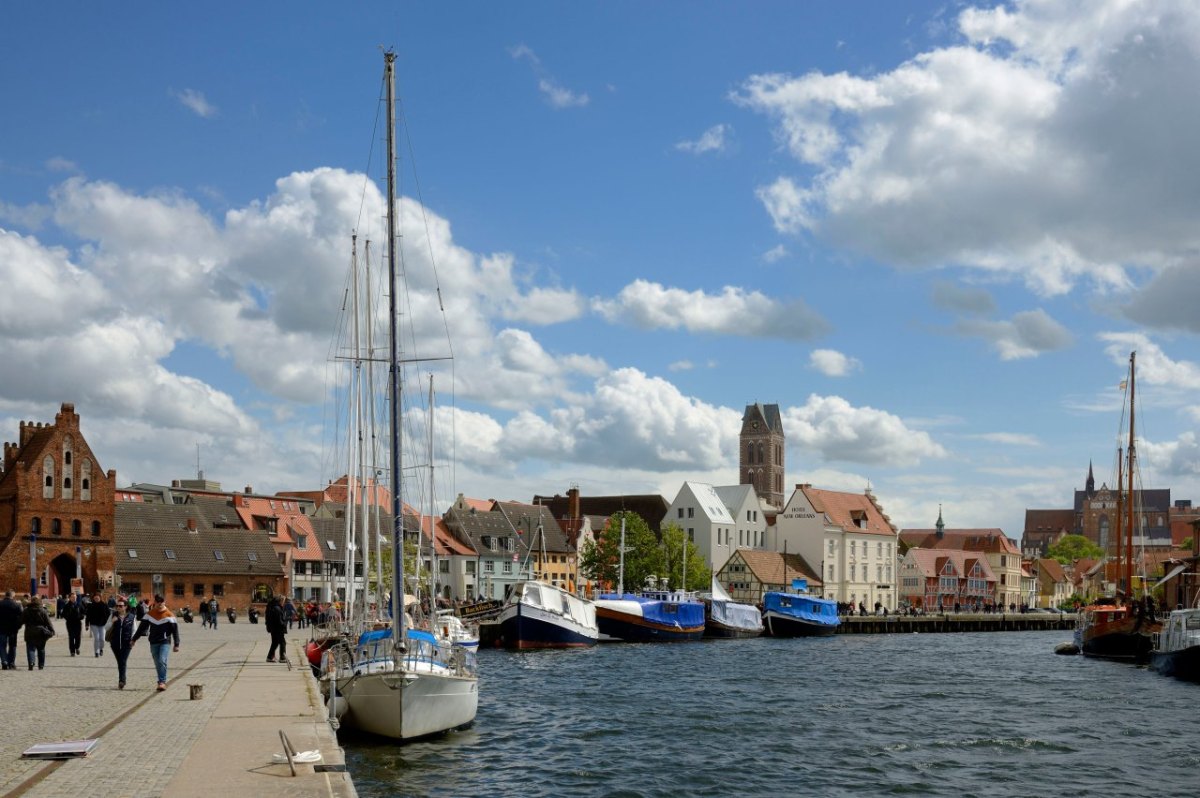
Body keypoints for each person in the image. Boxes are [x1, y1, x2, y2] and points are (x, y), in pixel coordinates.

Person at [132, 593, 180, 692]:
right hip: (153, 641)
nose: (159, 604)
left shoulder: (169, 615)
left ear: (164, 602)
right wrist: (134, 639)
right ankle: (161, 680)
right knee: (158, 662)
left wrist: (176, 644)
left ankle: (162, 682)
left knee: (162, 660)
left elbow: (175, 631)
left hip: (165, 641)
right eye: (157, 602)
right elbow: (141, 628)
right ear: (155, 602)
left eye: (161, 602)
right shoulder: (150, 614)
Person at [109, 600, 136, 689]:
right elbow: (105, 627)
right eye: (117, 606)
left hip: (127, 643)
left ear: (125, 607)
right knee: (120, 661)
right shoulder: (113, 616)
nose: (118, 607)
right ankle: (122, 679)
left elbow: (134, 629)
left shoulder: (132, 617)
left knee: (122, 661)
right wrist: (112, 622)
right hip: (115, 643)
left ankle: (122, 680)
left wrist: (133, 640)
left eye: (120, 606)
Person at [22, 596, 53, 670]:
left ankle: (31, 662)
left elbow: (22, 620)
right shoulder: (42, 610)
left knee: (30, 648)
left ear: (31, 601)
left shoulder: (26, 610)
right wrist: (52, 630)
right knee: (41, 649)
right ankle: (41, 665)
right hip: (41, 632)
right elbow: (48, 622)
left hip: (29, 631)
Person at [0, 589, 23, 670]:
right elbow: (22, 617)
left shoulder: (0, 604)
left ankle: (4, 661)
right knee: (12, 646)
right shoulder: (17, 605)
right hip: (13, 629)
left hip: (1, 628)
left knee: (2, 646)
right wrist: (18, 626)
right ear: (13, 596)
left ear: (5, 595)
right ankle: (11, 663)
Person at [85, 592, 111, 657]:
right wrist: (87, 624)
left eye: (97, 596)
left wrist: (109, 623)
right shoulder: (90, 606)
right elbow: (88, 616)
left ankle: (101, 648)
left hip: (103, 624)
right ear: (93, 598)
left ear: (100, 597)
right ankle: (96, 652)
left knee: (102, 639)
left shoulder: (104, 605)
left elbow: (108, 615)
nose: (96, 597)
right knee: (97, 638)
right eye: (95, 597)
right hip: (94, 624)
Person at [265, 596, 287, 663]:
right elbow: (279, 620)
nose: (284, 602)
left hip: (274, 629)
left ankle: (270, 657)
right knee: (283, 643)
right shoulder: (277, 608)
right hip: (278, 629)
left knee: (275, 643)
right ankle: (282, 658)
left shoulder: (273, 607)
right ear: (280, 601)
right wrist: (284, 624)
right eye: (283, 601)